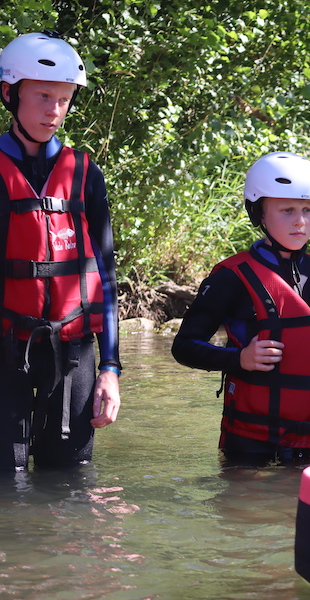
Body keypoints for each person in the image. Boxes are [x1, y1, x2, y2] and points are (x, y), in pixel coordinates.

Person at [172, 152, 310, 466]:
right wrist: (239, 358)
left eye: (308, 210)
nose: (300, 220)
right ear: (258, 213)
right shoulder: (231, 277)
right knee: (246, 512)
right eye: (287, 210)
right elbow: (184, 347)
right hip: (252, 442)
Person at [0, 31, 121, 471]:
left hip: (74, 353)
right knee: (8, 487)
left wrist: (111, 370)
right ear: (9, 94)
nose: (54, 111)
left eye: (64, 99)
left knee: (70, 488)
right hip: (8, 350)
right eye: (43, 96)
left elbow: (105, 276)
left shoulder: (86, 173)